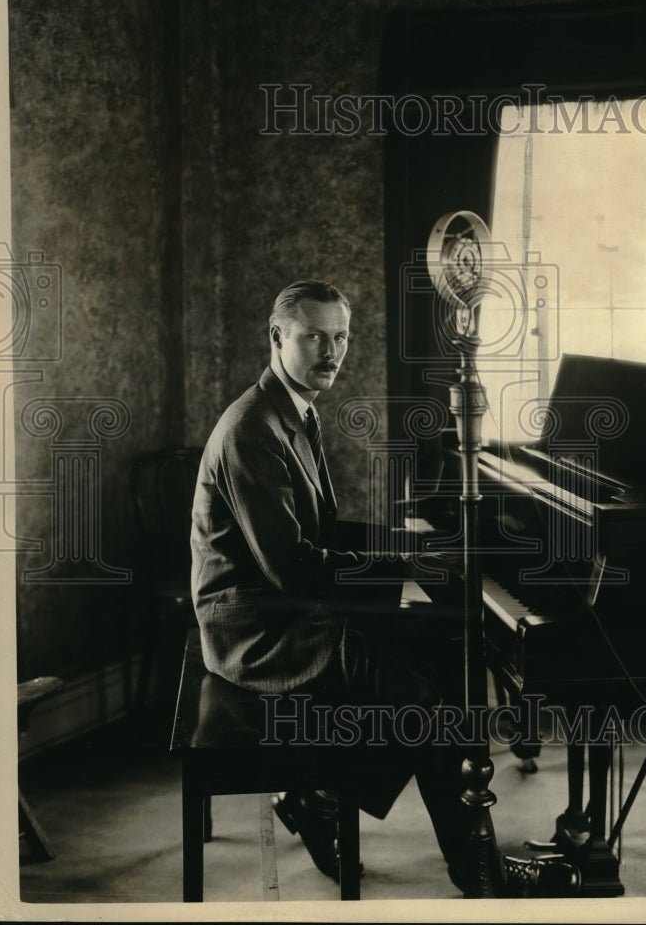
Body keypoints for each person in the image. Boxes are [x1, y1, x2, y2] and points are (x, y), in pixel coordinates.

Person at [190, 279, 578, 897]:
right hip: (262, 629)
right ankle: (475, 870)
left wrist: (413, 552)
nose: (331, 351)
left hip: (291, 609)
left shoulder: (290, 410)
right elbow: (293, 567)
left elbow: (321, 532)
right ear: (276, 337)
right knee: (431, 703)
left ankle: (320, 797)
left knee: (447, 651)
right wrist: (408, 572)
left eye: (340, 337)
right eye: (313, 336)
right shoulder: (251, 430)